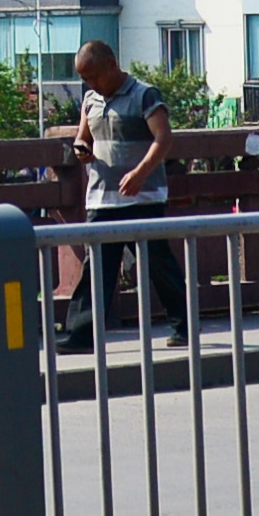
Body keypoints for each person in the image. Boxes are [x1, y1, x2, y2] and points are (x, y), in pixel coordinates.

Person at [48, 41, 179, 341]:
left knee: (159, 267)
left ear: (111, 64)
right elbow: (83, 137)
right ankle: (80, 334)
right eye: (85, 79)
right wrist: (82, 149)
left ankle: (183, 325)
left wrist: (140, 173)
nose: (91, 83)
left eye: (94, 76)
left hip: (142, 197)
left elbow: (163, 138)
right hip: (103, 197)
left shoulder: (144, 94)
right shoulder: (90, 99)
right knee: (96, 269)